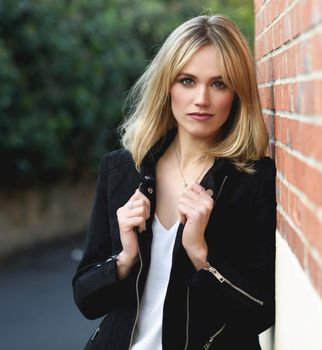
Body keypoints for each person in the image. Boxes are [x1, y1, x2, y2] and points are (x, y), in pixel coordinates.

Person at [72, 14, 276, 350]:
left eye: (219, 84)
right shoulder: (123, 169)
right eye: (187, 81)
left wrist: (201, 255)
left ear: (237, 94)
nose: (201, 99)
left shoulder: (252, 179)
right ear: (167, 85)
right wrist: (124, 258)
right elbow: (87, 300)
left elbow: (260, 314)